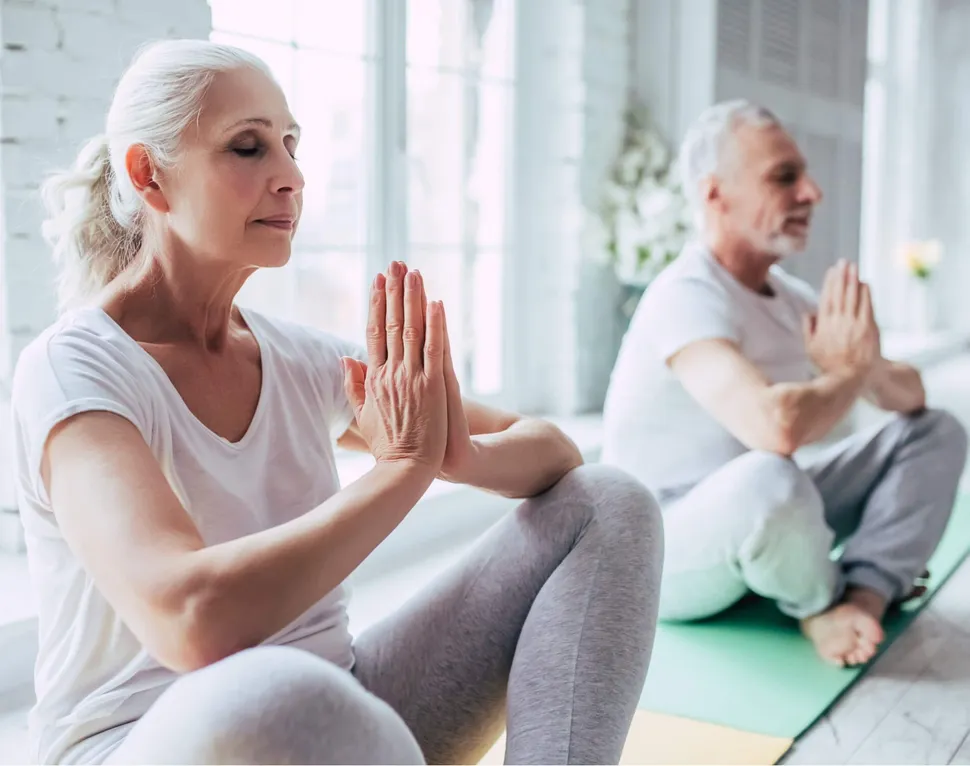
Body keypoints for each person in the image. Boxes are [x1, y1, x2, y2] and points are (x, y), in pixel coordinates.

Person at [12, 39, 664, 765]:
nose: (291, 177)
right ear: (149, 175)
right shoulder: (75, 369)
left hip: (340, 718)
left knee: (608, 502)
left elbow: (551, 450)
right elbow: (190, 621)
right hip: (153, 741)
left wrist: (453, 452)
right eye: (248, 147)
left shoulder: (297, 359)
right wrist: (404, 469)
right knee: (284, 697)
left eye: (291, 145)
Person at [601, 99, 966, 668]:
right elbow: (775, 428)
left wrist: (865, 365)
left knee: (936, 431)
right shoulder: (684, 293)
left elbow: (910, 397)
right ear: (715, 193)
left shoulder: (792, 298)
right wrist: (849, 372)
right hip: (660, 549)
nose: (811, 193)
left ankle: (863, 595)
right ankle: (819, 602)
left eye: (805, 176)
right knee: (771, 474)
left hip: (764, 513)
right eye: (784, 177)